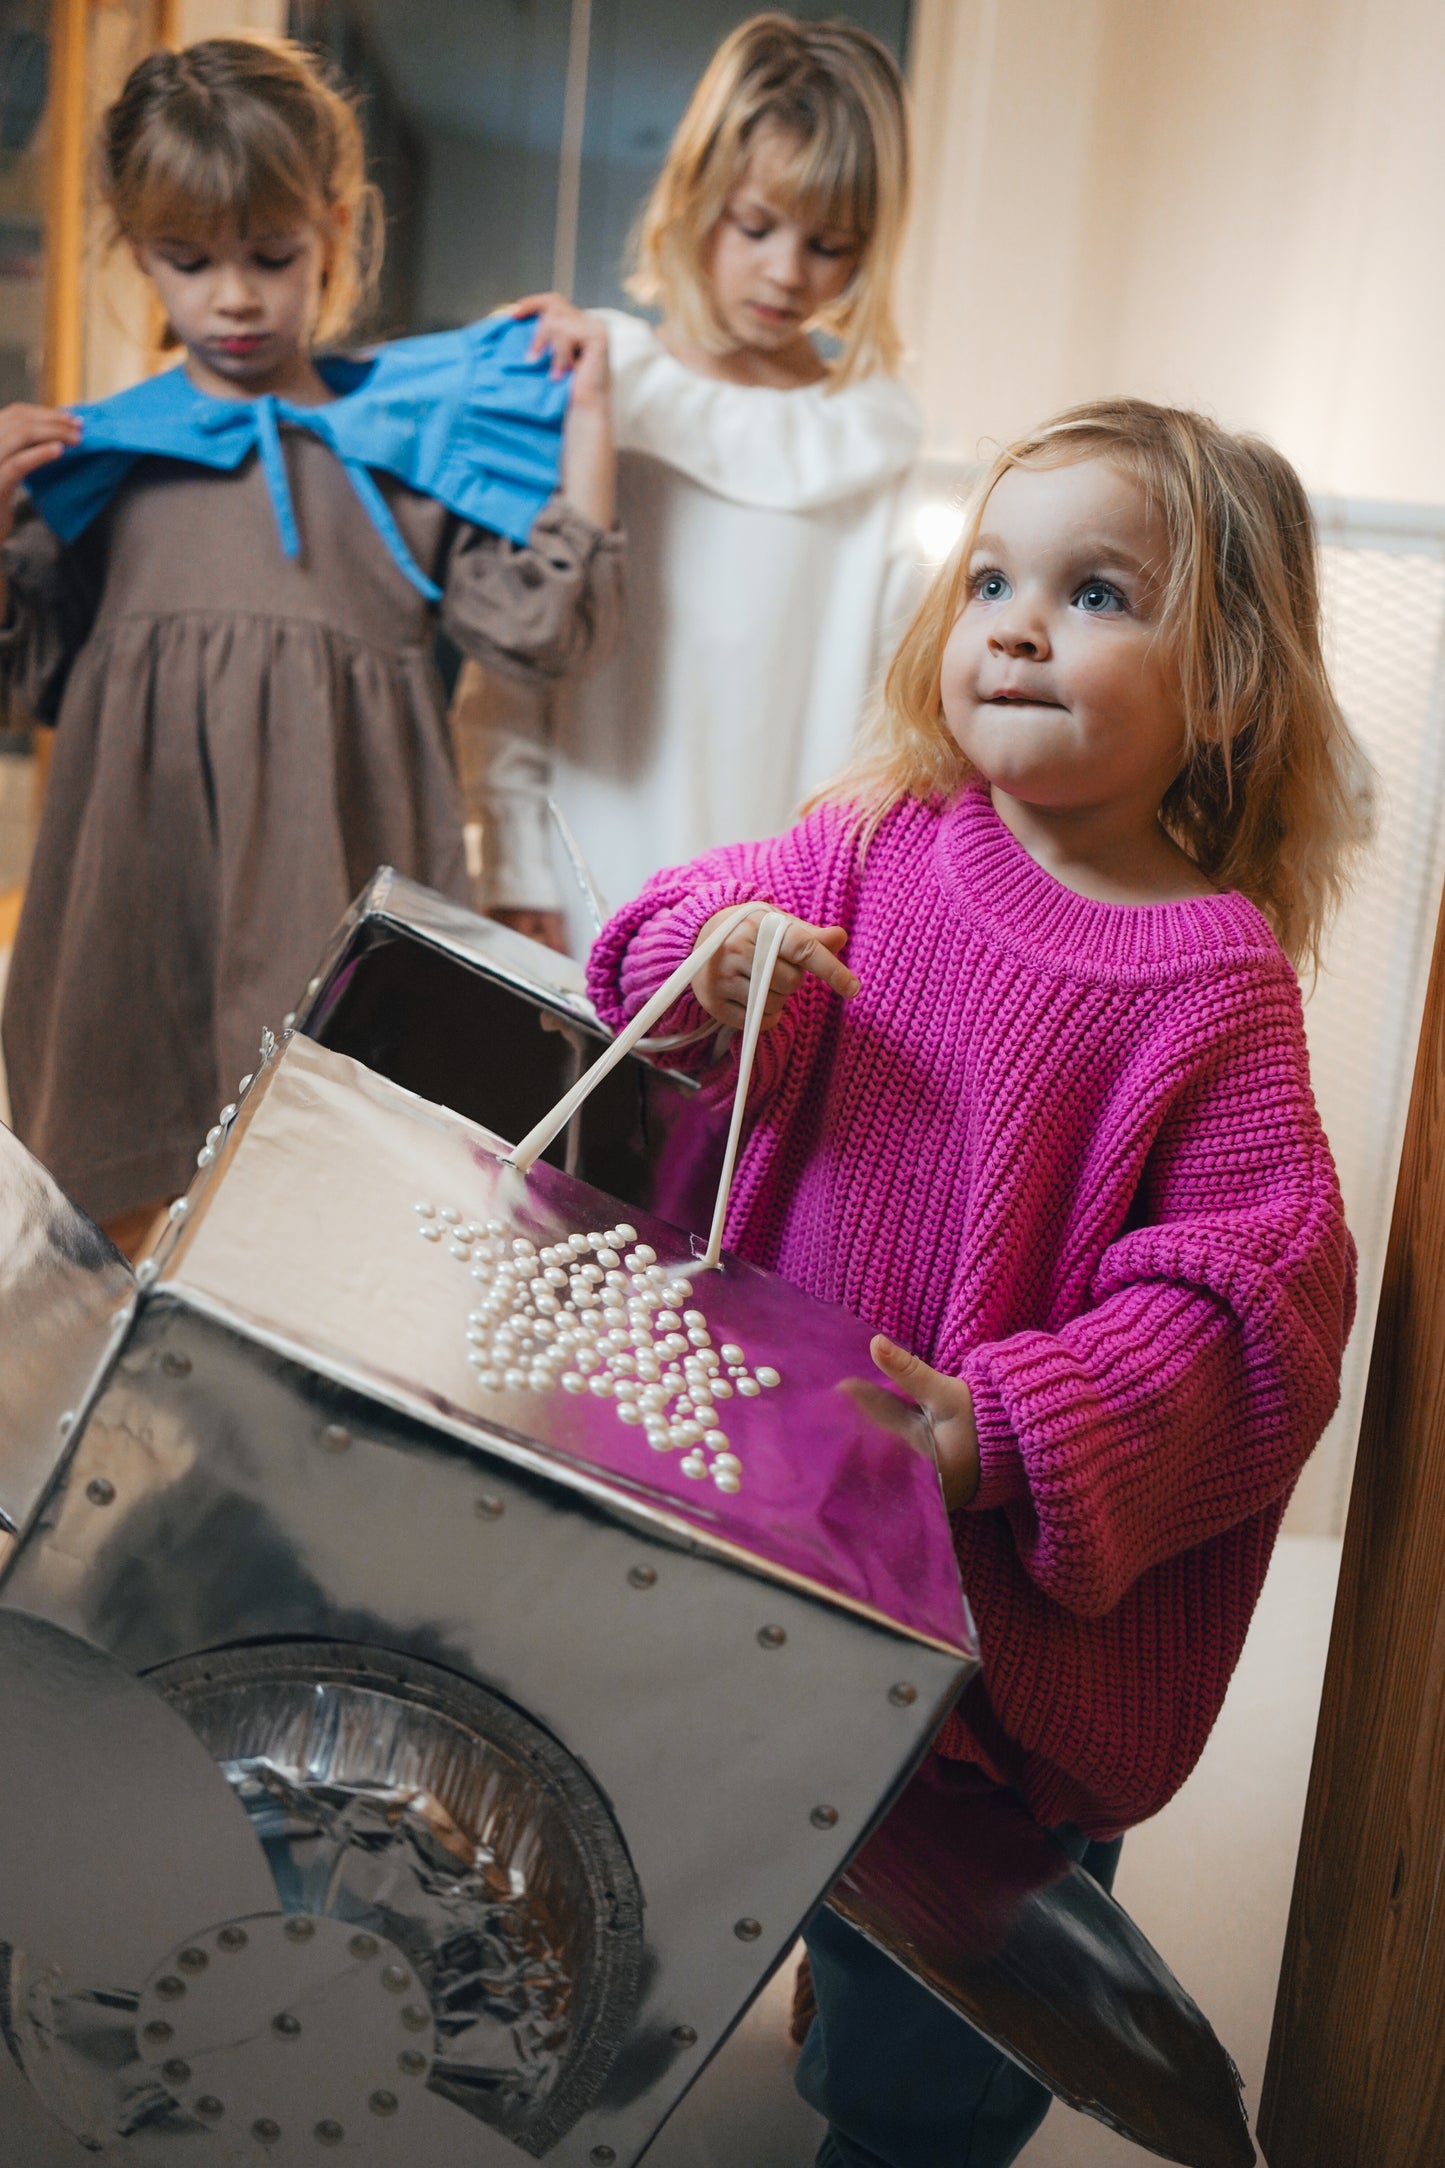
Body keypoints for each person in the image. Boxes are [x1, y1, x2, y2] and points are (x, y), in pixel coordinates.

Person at [586, 398, 1369, 2166]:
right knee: (667, 1860)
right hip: (759, 1511)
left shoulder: (1212, 985)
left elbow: (1254, 1307)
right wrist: (705, 964)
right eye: (993, 578)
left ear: (1226, 679)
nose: (1014, 622)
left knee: (926, 2036)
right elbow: (662, 932)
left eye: (1095, 592)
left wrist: (1011, 1422)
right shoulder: (879, 837)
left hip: (967, 1629)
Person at [0, 34, 619, 1255]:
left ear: (335, 231)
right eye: (188, 260)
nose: (233, 296)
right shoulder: (97, 464)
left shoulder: (405, 444)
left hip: (339, 918)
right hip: (134, 918)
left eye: (271, 256)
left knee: (336, 1248)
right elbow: (18, 673)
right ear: (136, 254)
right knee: (115, 1244)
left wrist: (589, 417)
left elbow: (543, 627)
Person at [455, 11, 921, 953]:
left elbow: (888, 733)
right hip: (579, 901)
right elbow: (512, 670)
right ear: (699, 195)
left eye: (829, 245)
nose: (785, 273)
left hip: (780, 929)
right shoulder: (598, 388)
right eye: (755, 226)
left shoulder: (874, 444)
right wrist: (513, 868)